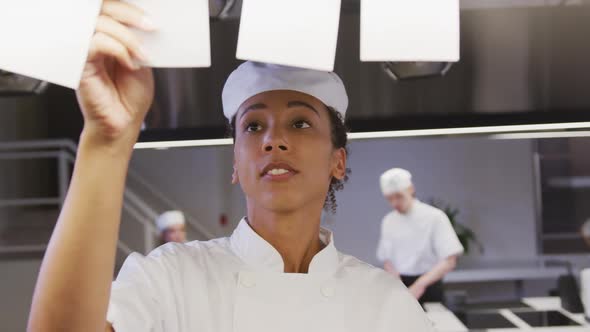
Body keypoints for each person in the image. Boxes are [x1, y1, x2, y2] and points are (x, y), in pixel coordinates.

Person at [27, 1, 434, 331]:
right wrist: (107, 141)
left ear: (337, 161)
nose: (273, 138)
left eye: (300, 122)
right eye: (254, 126)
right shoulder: (172, 279)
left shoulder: (385, 303)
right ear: (236, 163)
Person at [376, 168, 464, 305]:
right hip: (400, 286)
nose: (394, 203)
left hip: (430, 285)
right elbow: (387, 259)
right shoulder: (388, 221)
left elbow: (449, 260)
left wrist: (419, 285)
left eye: (398, 196)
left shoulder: (435, 217)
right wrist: (398, 284)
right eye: (389, 199)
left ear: (410, 189)